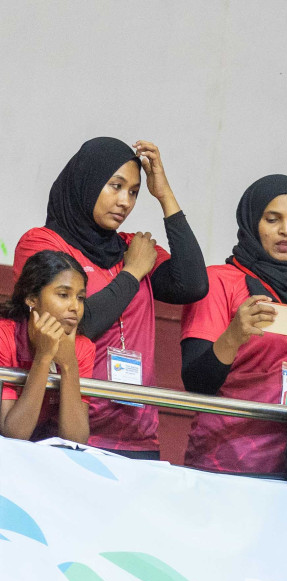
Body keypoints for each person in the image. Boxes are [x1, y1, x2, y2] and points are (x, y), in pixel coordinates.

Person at [14, 137, 207, 457]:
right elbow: (77, 323)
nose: (125, 201)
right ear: (87, 182)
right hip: (68, 432)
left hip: (138, 438)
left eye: (133, 192)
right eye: (115, 186)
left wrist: (164, 195)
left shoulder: (133, 248)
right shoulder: (42, 244)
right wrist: (131, 274)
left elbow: (193, 284)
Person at [179, 175, 287, 475]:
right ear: (252, 223)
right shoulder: (219, 281)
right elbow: (196, 383)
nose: (286, 231)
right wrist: (234, 335)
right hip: (229, 462)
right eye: (272, 219)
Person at [0, 251, 94, 443]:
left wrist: (69, 364)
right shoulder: (4, 336)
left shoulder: (83, 348)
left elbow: (75, 440)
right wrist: (43, 357)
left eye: (80, 298)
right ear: (32, 299)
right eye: (63, 295)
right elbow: (13, 435)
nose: (75, 307)